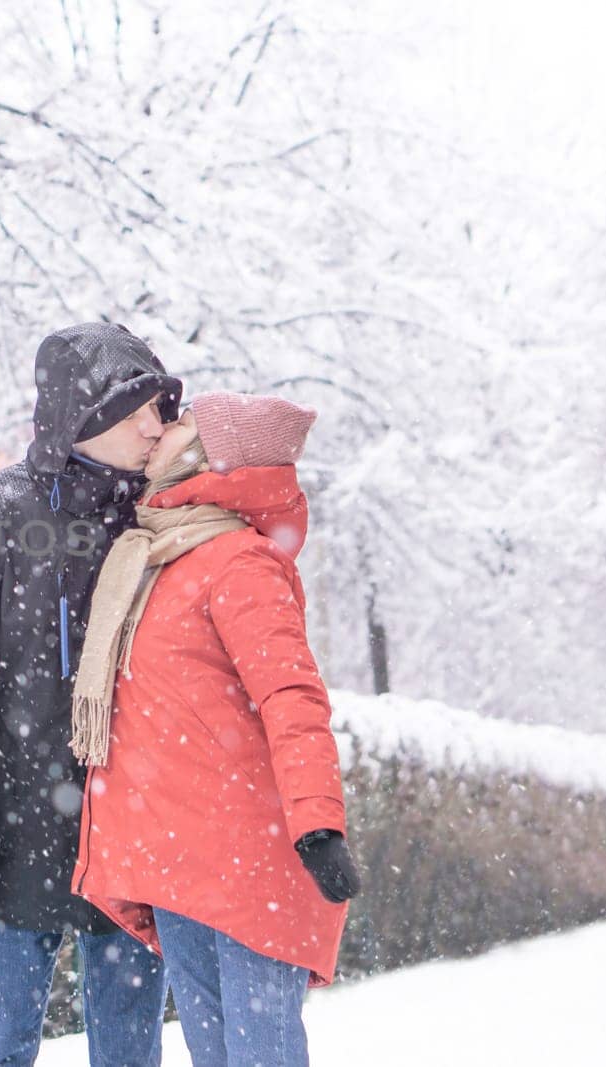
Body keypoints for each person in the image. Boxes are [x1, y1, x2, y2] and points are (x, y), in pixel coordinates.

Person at [0, 322, 181, 1067]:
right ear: (88, 418)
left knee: (130, 1056)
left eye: (163, 410)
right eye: (143, 413)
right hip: (11, 843)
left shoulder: (164, 523)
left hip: (128, 842)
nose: (160, 428)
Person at [68, 392, 363, 1067]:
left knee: (260, 1054)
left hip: (246, 864)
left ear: (211, 456)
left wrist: (319, 821)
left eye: (184, 425)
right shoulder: (158, 559)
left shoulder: (239, 561)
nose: (166, 428)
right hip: (179, 867)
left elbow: (292, 696)